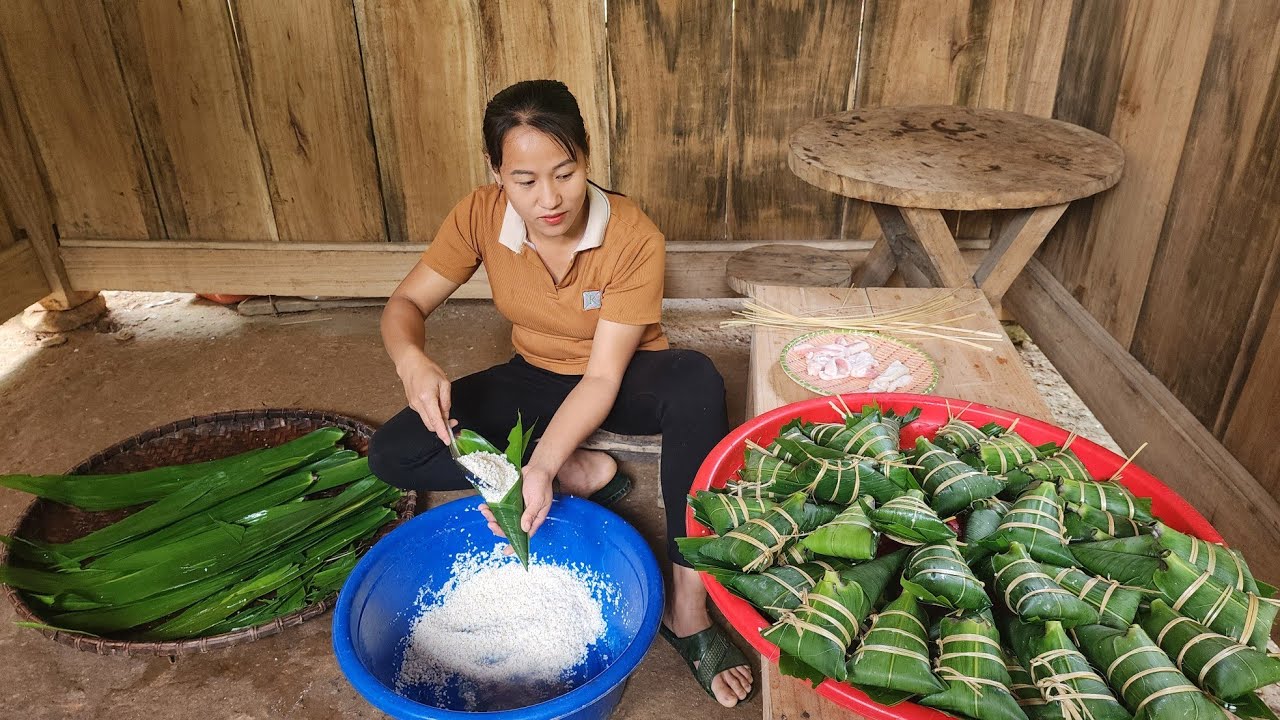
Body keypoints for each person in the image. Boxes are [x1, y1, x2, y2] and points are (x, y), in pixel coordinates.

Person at [369, 79, 754, 706]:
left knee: (697, 382)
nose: (548, 199)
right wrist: (412, 360)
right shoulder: (477, 215)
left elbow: (602, 378)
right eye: (524, 180)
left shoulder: (633, 236)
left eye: (565, 173)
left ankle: (688, 607)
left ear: (587, 158)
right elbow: (406, 303)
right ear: (496, 173)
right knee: (394, 452)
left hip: (624, 374)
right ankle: (585, 468)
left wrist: (538, 463)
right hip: (534, 372)